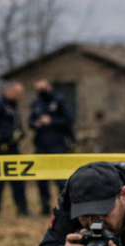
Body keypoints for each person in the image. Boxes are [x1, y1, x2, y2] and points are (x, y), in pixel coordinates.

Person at [0, 81, 29, 217]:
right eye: (18, 93)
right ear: (9, 90)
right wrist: (1, 136)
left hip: (13, 148)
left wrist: (19, 133)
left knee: (18, 179)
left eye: (22, 93)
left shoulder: (14, 106)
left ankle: (22, 209)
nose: (21, 96)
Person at [28, 78, 75, 215]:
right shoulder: (36, 103)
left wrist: (51, 121)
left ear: (49, 87)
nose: (40, 92)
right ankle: (44, 208)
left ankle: (65, 208)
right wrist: (36, 123)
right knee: (41, 180)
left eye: (43, 89)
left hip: (58, 145)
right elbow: (29, 122)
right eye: (38, 89)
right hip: (41, 146)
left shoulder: (59, 100)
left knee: (61, 180)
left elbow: (68, 120)